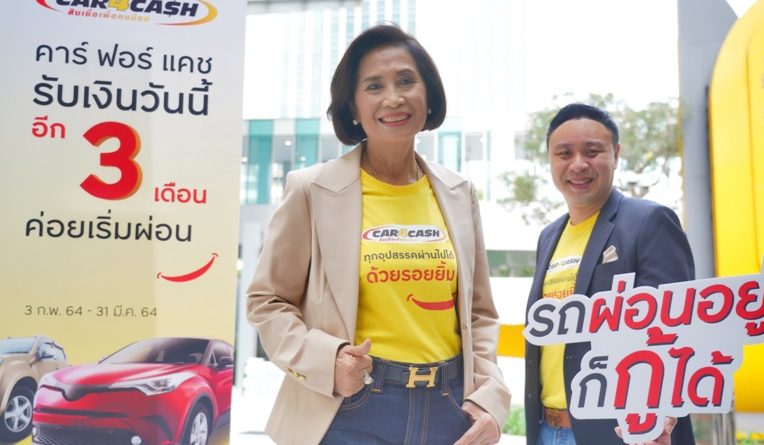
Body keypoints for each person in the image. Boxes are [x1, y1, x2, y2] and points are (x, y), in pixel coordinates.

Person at [247, 24, 510, 445]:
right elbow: (267, 300)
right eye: (374, 86)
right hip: (349, 406)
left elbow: (480, 313)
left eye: (406, 81)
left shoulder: (458, 193)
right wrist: (327, 361)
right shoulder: (311, 189)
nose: (393, 98)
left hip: (450, 408)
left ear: (429, 95)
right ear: (353, 107)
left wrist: (490, 398)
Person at [523, 103, 697, 445]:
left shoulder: (649, 221)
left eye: (592, 152)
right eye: (564, 153)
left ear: (615, 154)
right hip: (546, 429)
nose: (578, 164)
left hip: (619, 432)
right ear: (550, 160)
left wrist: (661, 417)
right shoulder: (549, 236)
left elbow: (676, 329)